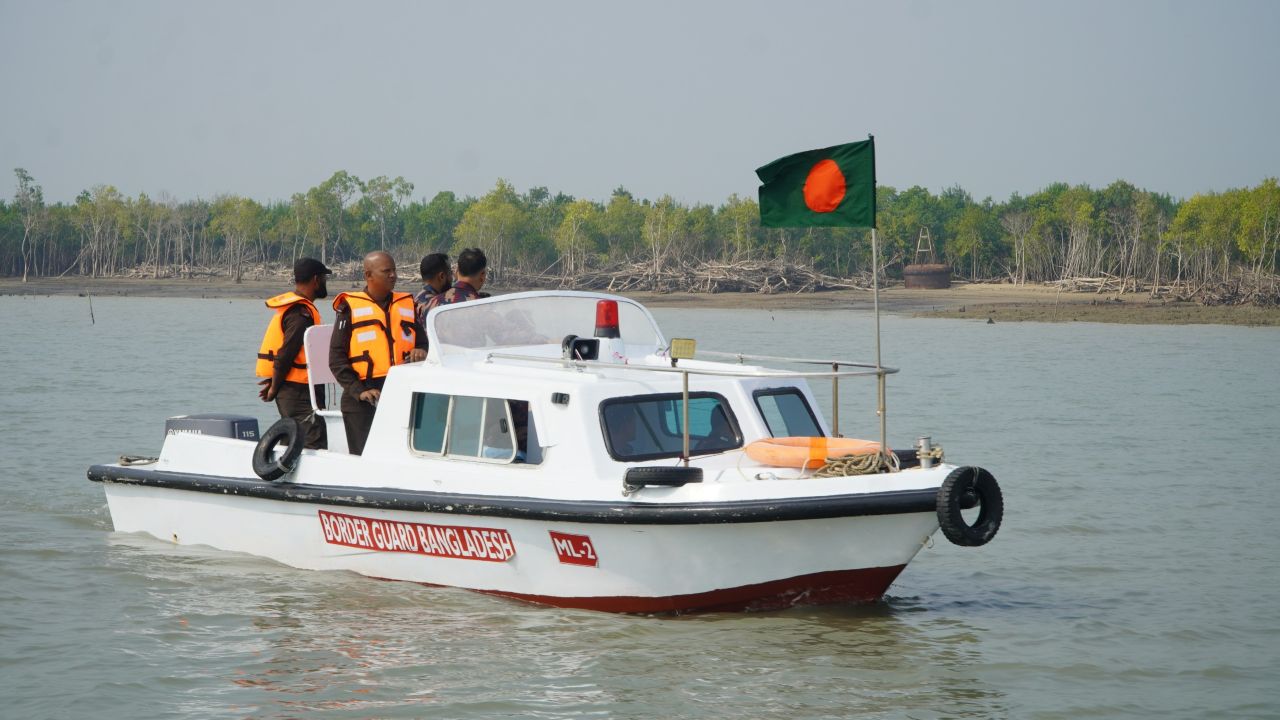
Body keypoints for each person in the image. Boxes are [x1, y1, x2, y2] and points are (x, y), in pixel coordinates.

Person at [328, 251, 428, 455]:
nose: (393, 275)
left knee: (402, 453)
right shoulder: (349, 308)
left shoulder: (407, 304)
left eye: (394, 270)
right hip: (363, 396)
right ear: (368, 275)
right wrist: (359, 391)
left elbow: (423, 342)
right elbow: (336, 358)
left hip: (400, 391)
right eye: (386, 271)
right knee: (365, 456)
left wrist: (421, 350)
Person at [255, 257, 331, 449]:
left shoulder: (297, 309)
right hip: (298, 391)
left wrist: (275, 382)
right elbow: (285, 354)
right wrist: (274, 388)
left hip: (294, 387)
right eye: (324, 278)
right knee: (312, 440)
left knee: (294, 440)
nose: (325, 283)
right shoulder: (300, 314)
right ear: (316, 280)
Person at [413, 252, 452, 328]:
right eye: (450, 273)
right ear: (442, 276)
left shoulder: (417, 298)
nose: (452, 278)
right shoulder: (438, 307)